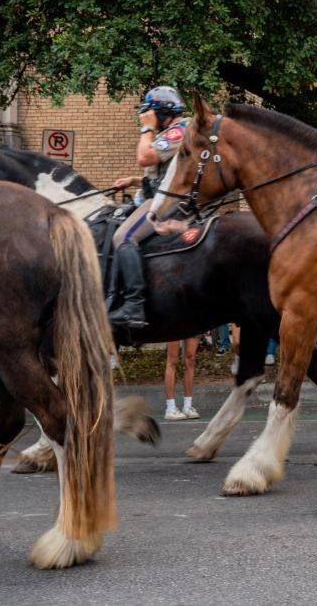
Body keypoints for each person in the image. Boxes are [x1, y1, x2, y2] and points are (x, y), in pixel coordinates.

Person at [107, 86, 189, 330]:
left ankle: (134, 305)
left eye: (149, 112)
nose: (144, 116)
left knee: (124, 236)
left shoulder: (180, 131)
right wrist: (134, 181)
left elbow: (145, 157)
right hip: (158, 195)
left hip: (171, 203)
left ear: (162, 112)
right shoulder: (174, 130)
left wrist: (147, 127)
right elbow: (161, 173)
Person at [164, 336, 200, 421]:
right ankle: (170, 408)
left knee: (191, 359)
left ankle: (187, 406)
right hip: (174, 323)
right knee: (172, 359)